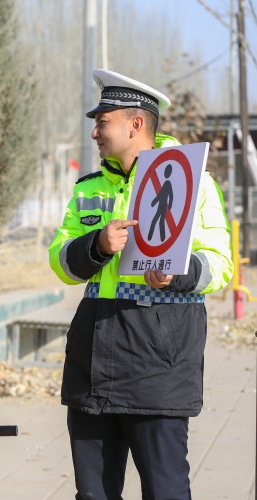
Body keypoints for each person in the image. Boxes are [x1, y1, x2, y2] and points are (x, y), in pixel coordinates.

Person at [48, 69, 233, 499]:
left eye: (102, 122)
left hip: (158, 366)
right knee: (93, 494)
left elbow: (220, 264)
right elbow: (61, 261)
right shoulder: (89, 188)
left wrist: (176, 273)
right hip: (92, 365)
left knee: (165, 491)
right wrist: (96, 245)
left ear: (135, 124)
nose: (94, 132)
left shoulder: (194, 183)